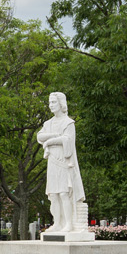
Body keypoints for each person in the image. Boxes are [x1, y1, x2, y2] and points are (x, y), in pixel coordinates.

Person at [37, 92, 86, 234]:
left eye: (53, 102)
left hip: (64, 162)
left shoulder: (68, 123)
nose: (50, 105)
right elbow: (39, 136)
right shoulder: (48, 123)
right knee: (54, 194)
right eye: (49, 102)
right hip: (52, 162)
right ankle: (58, 223)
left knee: (64, 193)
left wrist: (50, 142)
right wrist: (55, 136)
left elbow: (68, 140)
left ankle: (69, 224)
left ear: (61, 104)